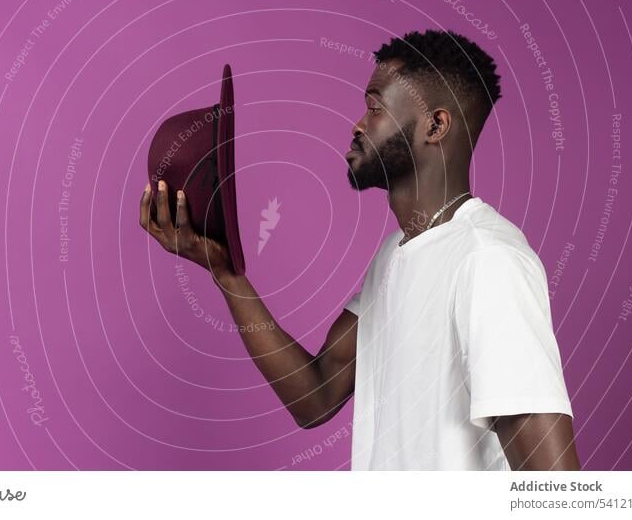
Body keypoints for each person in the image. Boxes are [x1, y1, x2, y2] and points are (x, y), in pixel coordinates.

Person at [139, 29, 580, 470]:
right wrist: (226, 272)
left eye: (375, 108)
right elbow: (316, 395)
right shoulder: (395, 256)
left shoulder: (488, 261)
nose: (358, 124)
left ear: (435, 125)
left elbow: (555, 490)